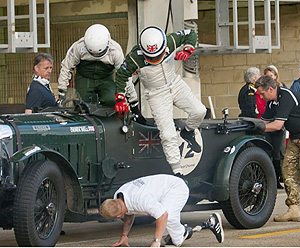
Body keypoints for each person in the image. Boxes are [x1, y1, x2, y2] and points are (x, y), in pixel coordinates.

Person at [114, 26, 207, 177]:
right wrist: (120, 97)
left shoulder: (170, 41)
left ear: (164, 47)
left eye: (158, 55)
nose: (154, 60)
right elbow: (121, 76)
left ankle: (188, 132)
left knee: (199, 111)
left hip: (175, 84)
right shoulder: (134, 57)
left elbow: (191, 33)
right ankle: (177, 171)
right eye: (150, 58)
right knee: (168, 134)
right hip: (156, 94)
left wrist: (188, 48)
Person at [255, 75, 300, 222]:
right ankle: (293, 208)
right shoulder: (271, 103)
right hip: (296, 136)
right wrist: (252, 126)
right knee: (287, 170)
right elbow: (263, 122)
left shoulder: (286, 96)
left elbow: (276, 125)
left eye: (262, 93)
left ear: (270, 89)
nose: (261, 97)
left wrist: (257, 129)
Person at [99, 174, 224, 247]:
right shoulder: (119, 195)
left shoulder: (141, 201)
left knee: (173, 232)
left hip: (176, 188)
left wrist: (156, 242)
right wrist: (124, 235)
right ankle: (191, 229)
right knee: (169, 239)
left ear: (117, 216)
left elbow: (162, 216)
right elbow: (129, 214)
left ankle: (209, 223)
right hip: (162, 191)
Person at [57, 24, 145, 123]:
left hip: (106, 79)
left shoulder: (115, 50)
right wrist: (62, 93)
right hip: (84, 78)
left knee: (111, 100)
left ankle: (112, 125)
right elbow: (66, 67)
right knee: (85, 104)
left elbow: (125, 77)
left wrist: (134, 105)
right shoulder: (78, 47)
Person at [263, 65, 286, 189]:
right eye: (267, 76)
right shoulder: (264, 91)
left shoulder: (281, 90)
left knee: (279, 153)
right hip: (269, 125)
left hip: (278, 125)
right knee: (270, 153)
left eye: (271, 76)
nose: (269, 78)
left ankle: (280, 177)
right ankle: (273, 180)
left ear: (276, 76)